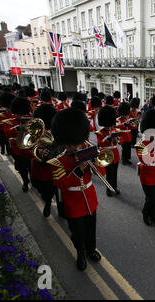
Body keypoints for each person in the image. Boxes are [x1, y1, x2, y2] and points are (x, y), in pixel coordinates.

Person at [50, 107, 104, 271]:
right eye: (75, 144)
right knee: (78, 233)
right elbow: (61, 184)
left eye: (80, 141)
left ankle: (91, 249)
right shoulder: (58, 161)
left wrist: (94, 162)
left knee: (91, 229)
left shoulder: (87, 151)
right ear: (66, 143)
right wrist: (79, 169)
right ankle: (80, 254)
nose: (79, 145)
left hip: (90, 199)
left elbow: (102, 172)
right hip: (73, 203)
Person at [30, 104, 65, 218]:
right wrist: (39, 151)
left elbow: (63, 146)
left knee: (61, 191)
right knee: (46, 192)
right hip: (44, 168)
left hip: (57, 164)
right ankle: (48, 203)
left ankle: (61, 210)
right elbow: (29, 148)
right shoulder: (36, 132)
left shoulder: (57, 130)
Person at [134, 109, 155, 226]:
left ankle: (153, 214)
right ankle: (146, 213)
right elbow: (146, 159)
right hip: (147, 174)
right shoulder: (141, 144)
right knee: (151, 198)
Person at [96, 105, 121, 196]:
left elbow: (119, 142)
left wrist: (117, 139)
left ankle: (114, 188)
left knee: (114, 174)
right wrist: (108, 138)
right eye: (108, 125)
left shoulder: (113, 129)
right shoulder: (100, 132)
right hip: (106, 155)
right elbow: (100, 143)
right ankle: (109, 190)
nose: (110, 127)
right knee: (109, 174)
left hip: (115, 154)